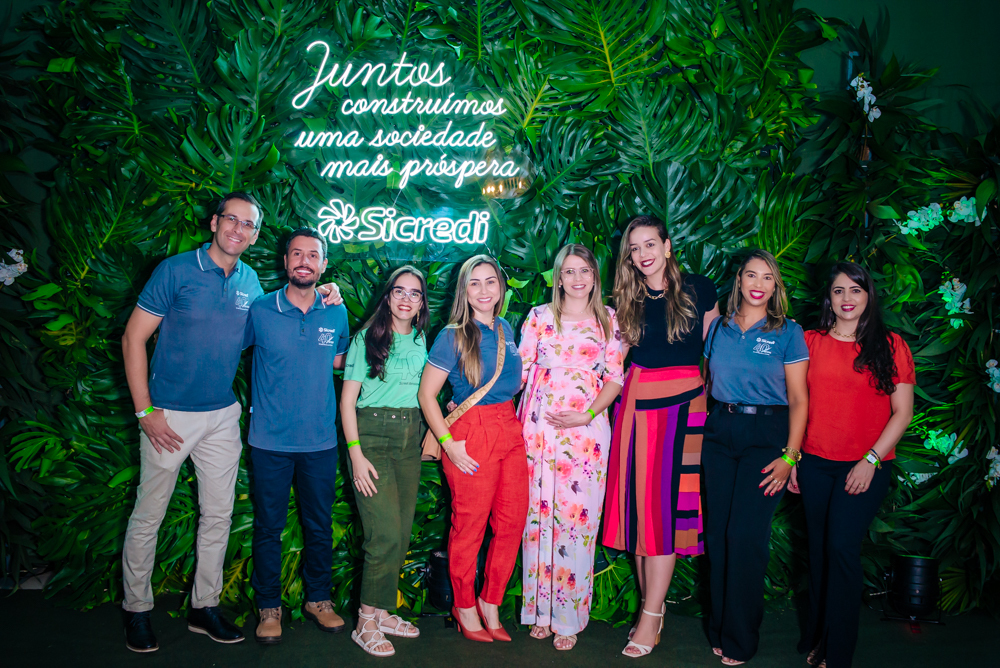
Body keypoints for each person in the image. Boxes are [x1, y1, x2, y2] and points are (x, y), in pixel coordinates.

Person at [602, 215, 720, 658]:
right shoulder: (625, 300)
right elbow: (610, 360)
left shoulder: (700, 289)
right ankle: (652, 609)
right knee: (639, 512)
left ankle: (650, 616)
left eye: (650, 244)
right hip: (635, 404)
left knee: (664, 512)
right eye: (635, 248)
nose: (643, 253)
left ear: (667, 246)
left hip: (685, 406)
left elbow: (717, 354)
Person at [792, 262, 914, 668]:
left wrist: (870, 460)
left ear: (868, 296)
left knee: (841, 549)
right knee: (819, 552)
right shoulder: (809, 341)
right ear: (828, 298)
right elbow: (797, 404)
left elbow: (902, 412)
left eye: (855, 290)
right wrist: (794, 458)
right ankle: (818, 636)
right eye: (839, 291)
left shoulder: (891, 345)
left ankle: (837, 651)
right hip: (815, 463)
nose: (847, 298)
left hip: (864, 467)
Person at [701, 250, 809, 666]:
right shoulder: (720, 328)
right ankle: (719, 628)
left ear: (775, 285)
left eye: (767, 277)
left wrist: (790, 456)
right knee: (719, 536)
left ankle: (740, 639)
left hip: (767, 436)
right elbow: (706, 383)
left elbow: (799, 399)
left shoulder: (788, 332)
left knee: (746, 538)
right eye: (751, 275)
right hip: (720, 433)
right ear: (740, 280)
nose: (758, 284)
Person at [243, 228, 350, 644]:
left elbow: (340, 361)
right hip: (269, 441)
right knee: (269, 526)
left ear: (323, 265)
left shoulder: (335, 312)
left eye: (313, 255)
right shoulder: (260, 310)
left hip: (320, 441)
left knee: (319, 524)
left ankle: (318, 600)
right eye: (297, 254)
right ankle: (269, 606)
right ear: (285, 261)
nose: (304, 261)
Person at [518, 244, 624, 651]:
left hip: (586, 434)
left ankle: (568, 618)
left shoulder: (609, 319)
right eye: (569, 271)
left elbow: (614, 377)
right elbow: (518, 372)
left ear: (595, 276)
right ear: (558, 278)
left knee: (576, 522)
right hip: (538, 430)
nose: (577, 279)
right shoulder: (539, 317)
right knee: (537, 518)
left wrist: (587, 414)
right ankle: (540, 613)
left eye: (585, 271)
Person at [418, 254, 526, 643]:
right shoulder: (453, 335)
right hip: (472, 432)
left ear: (501, 287)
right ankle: (463, 605)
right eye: (474, 283)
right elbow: (427, 394)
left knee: (512, 523)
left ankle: (490, 601)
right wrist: (449, 444)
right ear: (464, 290)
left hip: (509, 427)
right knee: (470, 526)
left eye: (490, 281)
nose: (483, 290)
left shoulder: (505, 328)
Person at [340, 266, 430, 657]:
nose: (406, 299)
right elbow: (347, 402)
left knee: (402, 532)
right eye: (399, 291)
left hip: (409, 437)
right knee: (384, 534)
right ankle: (365, 622)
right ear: (388, 296)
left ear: (422, 302)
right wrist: (356, 454)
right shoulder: (367, 338)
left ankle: (381, 613)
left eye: (414, 293)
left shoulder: (422, 339)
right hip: (372, 436)